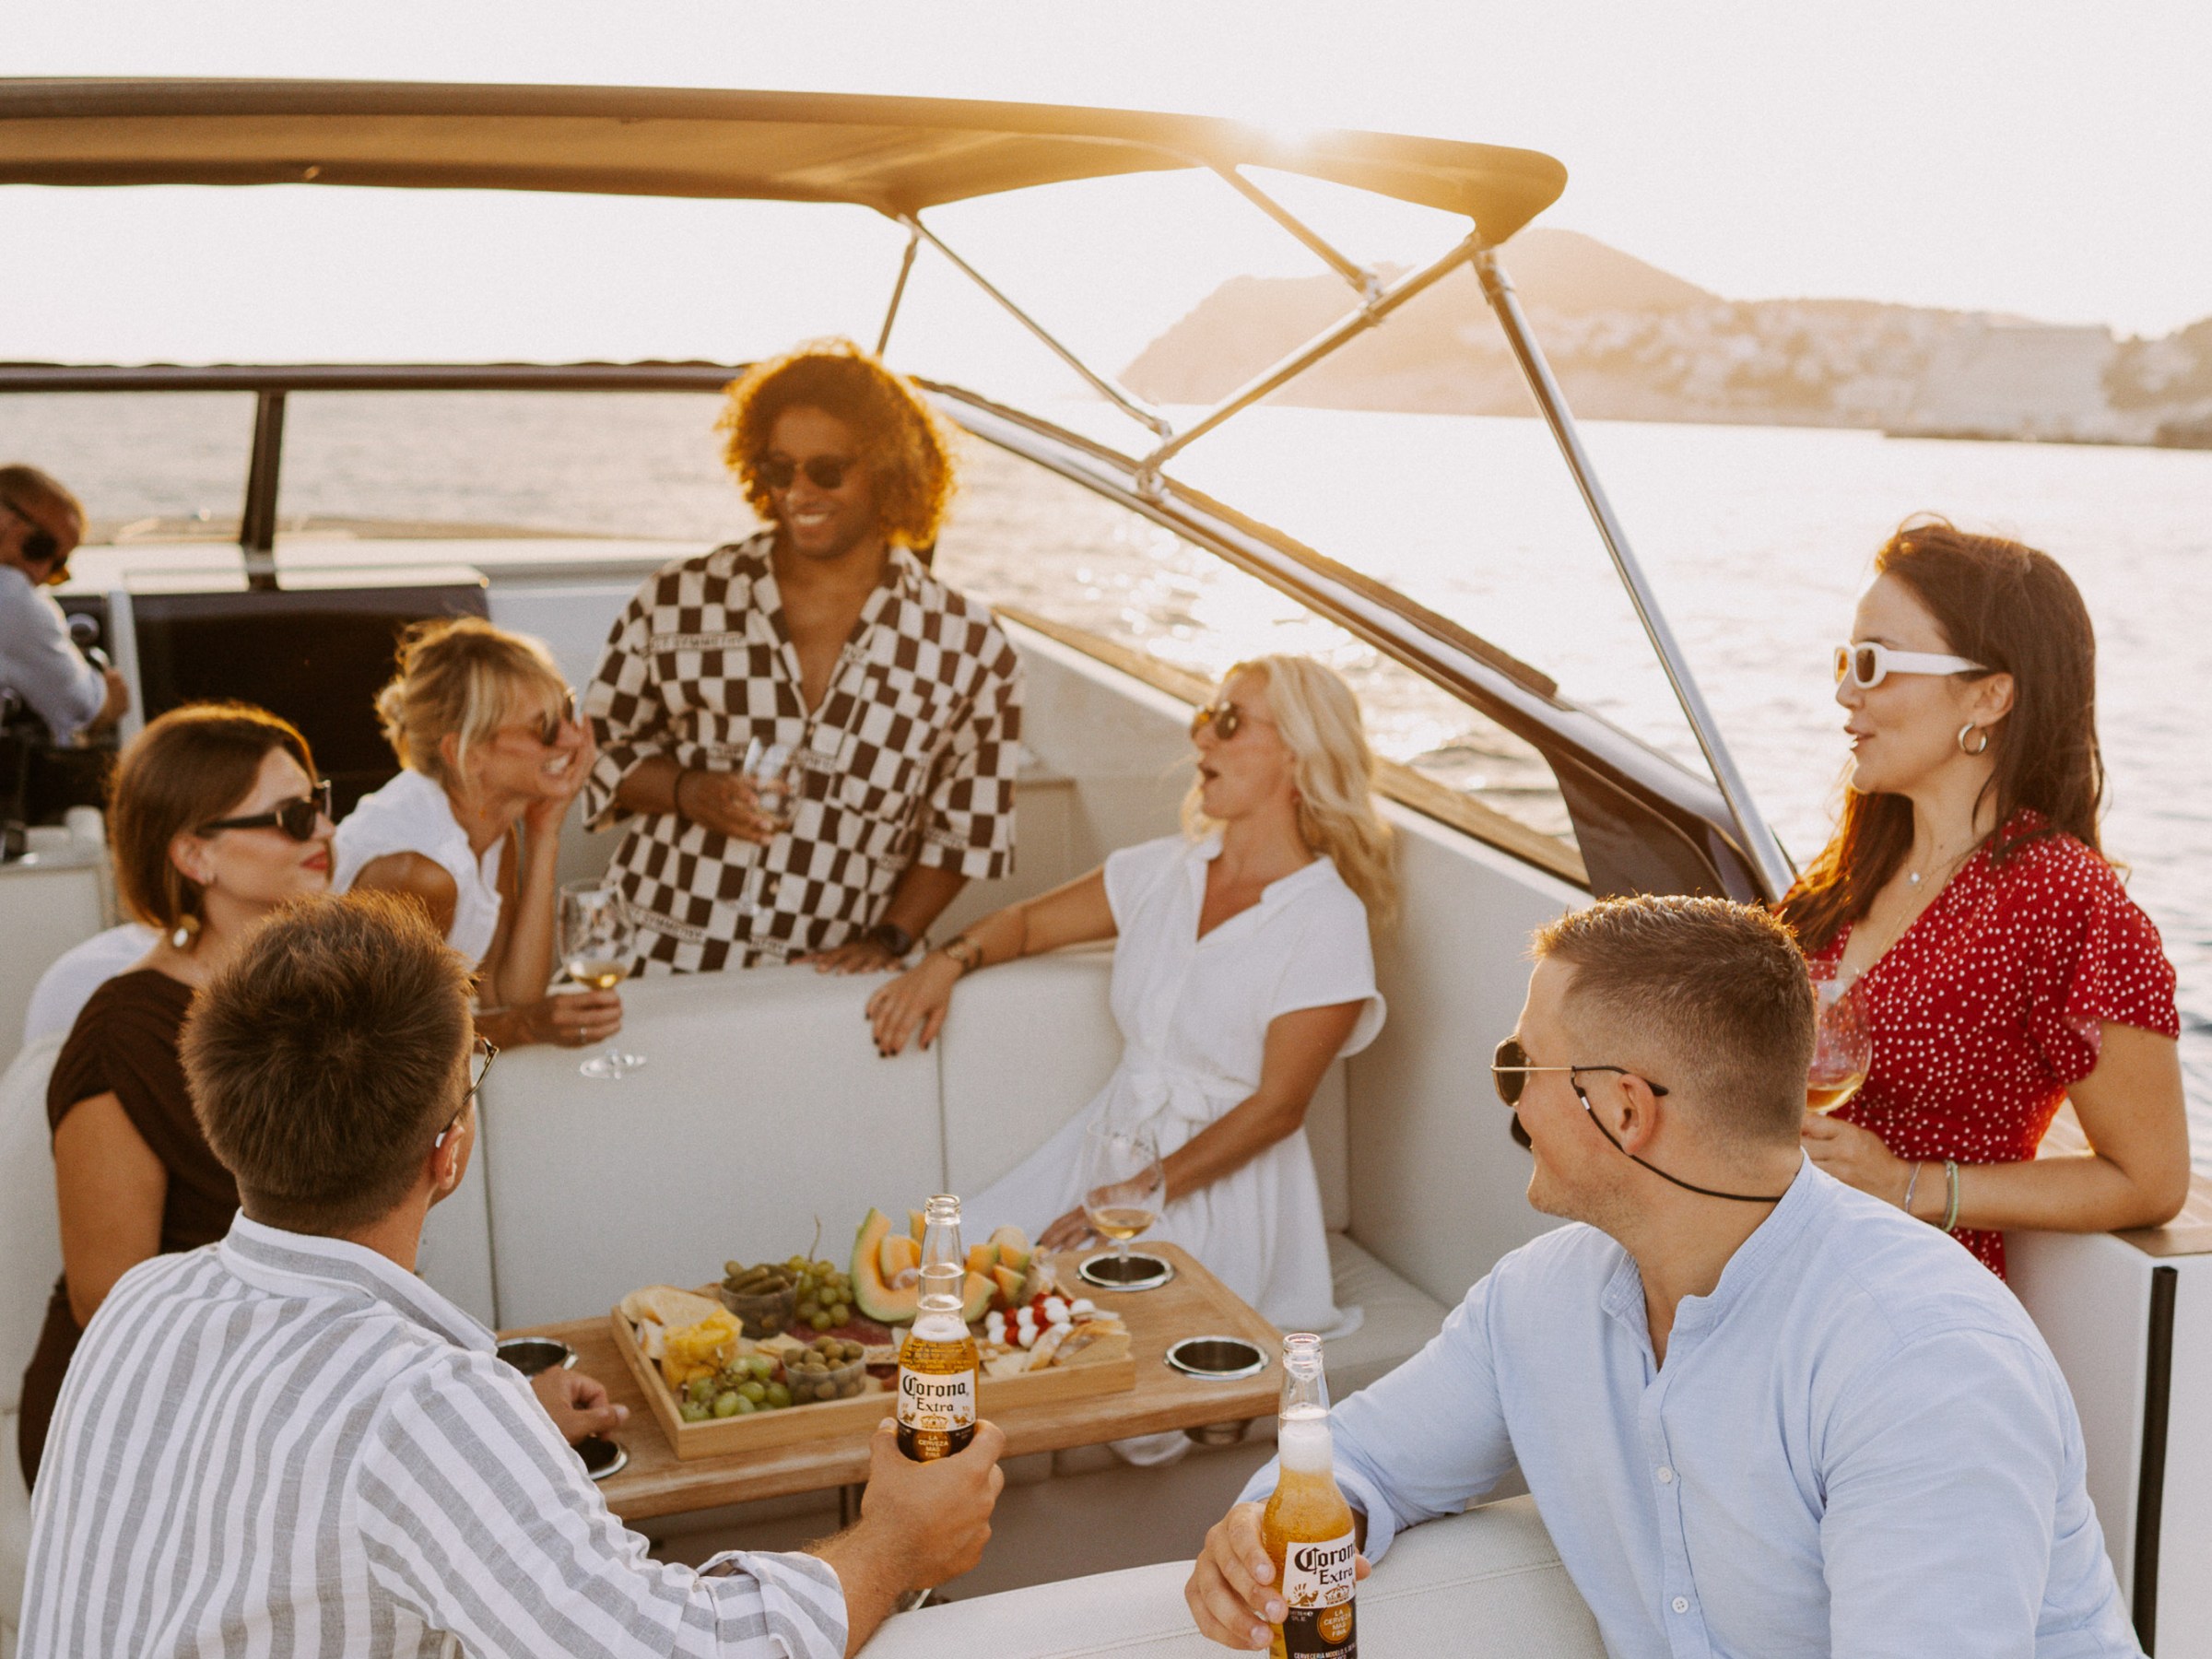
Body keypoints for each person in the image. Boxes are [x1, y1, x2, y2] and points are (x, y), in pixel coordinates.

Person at [18, 892, 1006, 1659]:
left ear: (225, 1127)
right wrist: (894, 1544)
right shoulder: (420, 1407)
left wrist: (505, 1433)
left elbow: (268, 1504)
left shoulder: (146, 1302)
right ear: (449, 1153)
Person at [1187, 895, 2140, 1658]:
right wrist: (1259, 1528)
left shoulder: (1919, 1364)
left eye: (1522, 1064)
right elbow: (1367, 1461)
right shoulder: (1538, 1302)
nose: (1513, 1097)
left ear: (1623, 1110)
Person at [869, 655, 1393, 1339]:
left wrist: (1135, 1193)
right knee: (936, 1271)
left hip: (1220, 1187)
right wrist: (945, 962)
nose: (1201, 737)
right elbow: (1025, 924)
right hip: (1110, 1152)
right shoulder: (1163, 871)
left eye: (1228, 722)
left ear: (1298, 754)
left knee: (1072, 1329)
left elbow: (1278, 1108)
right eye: (1206, 717)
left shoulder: (1327, 917)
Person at [1782, 518, 2187, 1277]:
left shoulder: (2063, 898)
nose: (1844, 691)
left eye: (1872, 663)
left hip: (1906, 1303)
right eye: (1845, 660)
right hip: (1778, 1275)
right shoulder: (1849, 870)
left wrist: (1911, 1186)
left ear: (1990, 696)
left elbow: (2151, 1178)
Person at [581, 339, 1021, 974]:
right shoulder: (679, 598)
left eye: (828, 470)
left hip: (819, 980)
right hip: (656, 956)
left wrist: (891, 941)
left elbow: (964, 830)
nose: (799, 492)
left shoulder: (971, 649)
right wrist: (686, 790)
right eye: (780, 469)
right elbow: (592, 748)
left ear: (891, 469)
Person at [16, 702, 333, 1488]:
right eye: (294, 816)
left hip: (301, 1374)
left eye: (321, 801)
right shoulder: (124, 1036)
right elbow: (110, 1303)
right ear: (195, 854)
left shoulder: (318, 992)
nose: (325, 830)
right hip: (147, 1419)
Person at [335, 616, 623, 1051]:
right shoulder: (419, 873)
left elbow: (506, 996)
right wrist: (526, 1028)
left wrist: (546, 831)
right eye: (543, 728)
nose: (570, 738)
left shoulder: (489, 821)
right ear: (466, 755)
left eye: (566, 710)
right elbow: (378, 1045)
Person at [0, 464, 127, 741]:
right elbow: (81, 712)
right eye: (40, 548)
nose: (43, 574)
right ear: (5, 520)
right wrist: (109, 700)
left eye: (59, 566)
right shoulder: (11, 598)